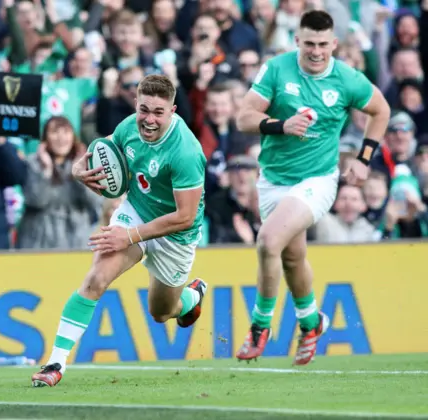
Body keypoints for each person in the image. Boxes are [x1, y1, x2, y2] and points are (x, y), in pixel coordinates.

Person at [234, 10, 391, 366]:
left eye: (323, 44)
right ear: (297, 42)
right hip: (273, 178)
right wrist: (280, 125)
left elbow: (380, 110)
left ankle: (260, 326)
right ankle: (310, 322)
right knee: (291, 257)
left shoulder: (347, 79)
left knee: (268, 241)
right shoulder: (277, 69)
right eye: (309, 44)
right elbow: (244, 117)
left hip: (317, 180)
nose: (316, 51)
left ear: (334, 44)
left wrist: (364, 159)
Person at [31, 74, 208, 387]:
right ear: (136, 105)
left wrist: (129, 236)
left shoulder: (186, 153)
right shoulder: (129, 126)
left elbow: (185, 216)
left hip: (175, 235)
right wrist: (78, 168)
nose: (149, 120)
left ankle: (192, 297)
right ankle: (55, 363)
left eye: (158, 112)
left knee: (161, 312)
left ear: (173, 111)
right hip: (136, 211)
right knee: (96, 278)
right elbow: (106, 150)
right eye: (144, 110)